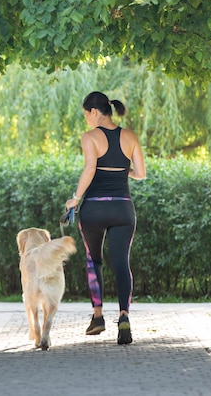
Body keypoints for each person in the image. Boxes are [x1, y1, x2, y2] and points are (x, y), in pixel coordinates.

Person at [65, 91, 146, 345]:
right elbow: (141, 173)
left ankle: (98, 317)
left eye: (86, 115)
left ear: (94, 112)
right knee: (122, 262)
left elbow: (90, 169)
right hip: (123, 208)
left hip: (95, 209)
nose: (87, 120)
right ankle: (124, 318)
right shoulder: (130, 136)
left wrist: (75, 198)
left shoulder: (90, 137)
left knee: (94, 261)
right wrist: (122, 170)